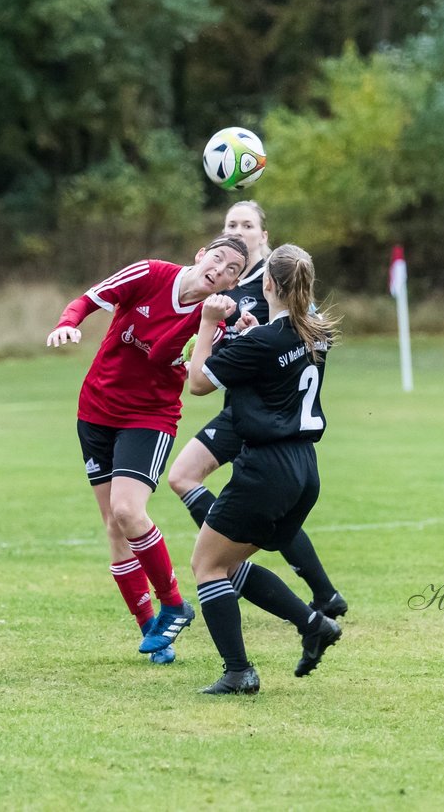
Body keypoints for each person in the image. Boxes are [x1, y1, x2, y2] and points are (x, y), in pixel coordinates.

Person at [46, 235, 250, 664]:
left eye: (233, 270)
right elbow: (90, 298)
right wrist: (69, 322)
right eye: (218, 259)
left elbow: (180, 369)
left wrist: (220, 329)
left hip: (149, 419)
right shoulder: (150, 273)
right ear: (200, 255)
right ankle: (153, 631)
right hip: (95, 409)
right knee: (113, 526)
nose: (222, 269)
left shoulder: (216, 319)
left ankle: (174, 604)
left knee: (128, 511)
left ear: (233, 283)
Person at [167, 201, 348, 619]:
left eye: (248, 224)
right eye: (231, 223)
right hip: (251, 411)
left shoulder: (281, 280)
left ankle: (230, 564)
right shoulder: (226, 279)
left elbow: (303, 336)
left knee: (256, 509)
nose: (240, 230)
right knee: (187, 479)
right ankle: (311, 593)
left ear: (264, 237)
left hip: (264, 416)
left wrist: (226, 336)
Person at [184, 244, 343, 695]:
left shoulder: (262, 341)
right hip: (304, 469)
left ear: (267, 284)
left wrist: (208, 324)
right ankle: (313, 623)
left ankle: (238, 671)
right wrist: (250, 335)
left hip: (266, 469)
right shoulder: (316, 332)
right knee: (228, 564)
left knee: (207, 565)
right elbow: (276, 369)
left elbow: (197, 383)